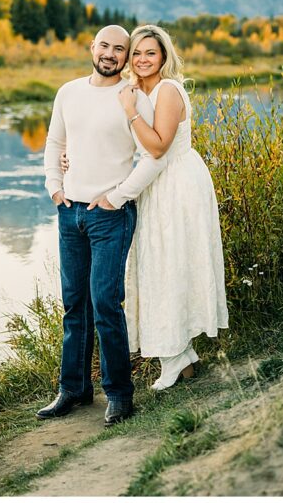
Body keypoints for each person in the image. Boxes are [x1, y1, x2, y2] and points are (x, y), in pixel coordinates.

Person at [39, 25, 167, 427]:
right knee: (74, 304)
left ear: (127, 57)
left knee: (105, 304)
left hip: (110, 216)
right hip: (69, 212)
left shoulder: (132, 98)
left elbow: (154, 155)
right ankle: (73, 390)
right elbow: (54, 143)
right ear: (92, 47)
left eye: (120, 49)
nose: (111, 54)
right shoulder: (68, 92)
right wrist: (54, 187)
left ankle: (119, 394)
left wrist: (119, 195)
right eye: (105, 46)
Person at [117, 24, 229, 390]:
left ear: (163, 55)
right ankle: (182, 356)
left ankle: (173, 354)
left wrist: (131, 112)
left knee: (170, 264)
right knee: (161, 263)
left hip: (178, 185)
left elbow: (158, 146)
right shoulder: (138, 90)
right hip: (158, 185)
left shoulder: (167, 89)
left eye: (150, 52)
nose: (142, 59)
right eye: (136, 53)